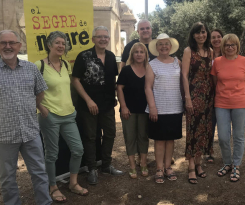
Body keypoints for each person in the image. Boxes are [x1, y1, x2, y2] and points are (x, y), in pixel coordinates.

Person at [0, 30, 52, 205]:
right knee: (7, 177)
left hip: (30, 132)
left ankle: (44, 202)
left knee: (39, 172)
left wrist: (29, 108)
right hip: (3, 134)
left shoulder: (31, 68)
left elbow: (40, 93)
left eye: (11, 42)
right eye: (3, 43)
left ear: (19, 45)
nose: (7, 46)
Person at [35, 31, 88, 202]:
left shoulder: (66, 64)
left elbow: (67, 88)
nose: (60, 46)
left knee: (78, 149)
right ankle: (53, 186)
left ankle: (73, 183)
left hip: (68, 114)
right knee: (52, 154)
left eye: (63, 43)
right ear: (49, 45)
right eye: (57, 42)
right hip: (49, 115)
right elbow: (31, 91)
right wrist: (41, 108)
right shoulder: (38, 66)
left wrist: (72, 108)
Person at [72, 26, 123, 185]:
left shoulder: (110, 56)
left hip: (107, 105)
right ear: (93, 39)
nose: (103, 39)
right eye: (99, 36)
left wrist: (116, 95)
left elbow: (111, 80)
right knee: (91, 137)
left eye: (106, 37)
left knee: (110, 134)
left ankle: (106, 165)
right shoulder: (84, 56)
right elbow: (75, 80)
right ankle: (92, 169)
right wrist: (88, 100)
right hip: (89, 106)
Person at [210, 34, 245, 182]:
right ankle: (227, 163)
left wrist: (238, 93)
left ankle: (236, 165)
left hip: (240, 103)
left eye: (233, 45)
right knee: (223, 137)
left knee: (238, 135)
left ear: (237, 46)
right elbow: (216, 82)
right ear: (223, 46)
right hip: (221, 103)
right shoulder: (217, 62)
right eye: (227, 45)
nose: (230, 47)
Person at [145, 33, 183, 184]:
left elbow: (182, 83)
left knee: (171, 139)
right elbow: (148, 87)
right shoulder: (152, 64)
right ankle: (159, 168)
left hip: (175, 107)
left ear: (171, 46)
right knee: (160, 140)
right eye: (161, 44)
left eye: (166, 44)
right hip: (158, 109)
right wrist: (152, 107)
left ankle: (168, 167)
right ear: (156, 47)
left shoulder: (177, 62)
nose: (164, 46)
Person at [182, 22, 214, 184]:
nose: (201, 35)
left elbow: (213, 75)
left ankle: (199, 163)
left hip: (209, 97)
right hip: (194, 95)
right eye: (197, 33)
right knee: (193, 130)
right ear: (193, 35)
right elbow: (184, 75)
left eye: (203, 32)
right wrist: (187, 97)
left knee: (204, 130)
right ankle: (190, 166)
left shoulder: (211, 52)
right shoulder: (189, 51)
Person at [117, 43, 150, 178]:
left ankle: (143, 163)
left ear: (145, 54)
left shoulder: (149, 69)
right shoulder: (126, 70)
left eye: (142, 52)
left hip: (145, 110)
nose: (139, 54)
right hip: (128, 110)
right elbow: (119, 88)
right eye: (136, 52)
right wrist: (123, 106)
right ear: (132, 54)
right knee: (130, 137)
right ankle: (132, 165)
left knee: (143, 136)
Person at [205, 28, 224, 164]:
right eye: (213, 37)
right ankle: (209, 151)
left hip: (224, 94)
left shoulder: (229, 54)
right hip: (208, 94)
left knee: (223, 124)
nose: (216, 39)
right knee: (210, 123)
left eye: (219, 37)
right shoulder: (207, 54)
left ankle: (226, 152)